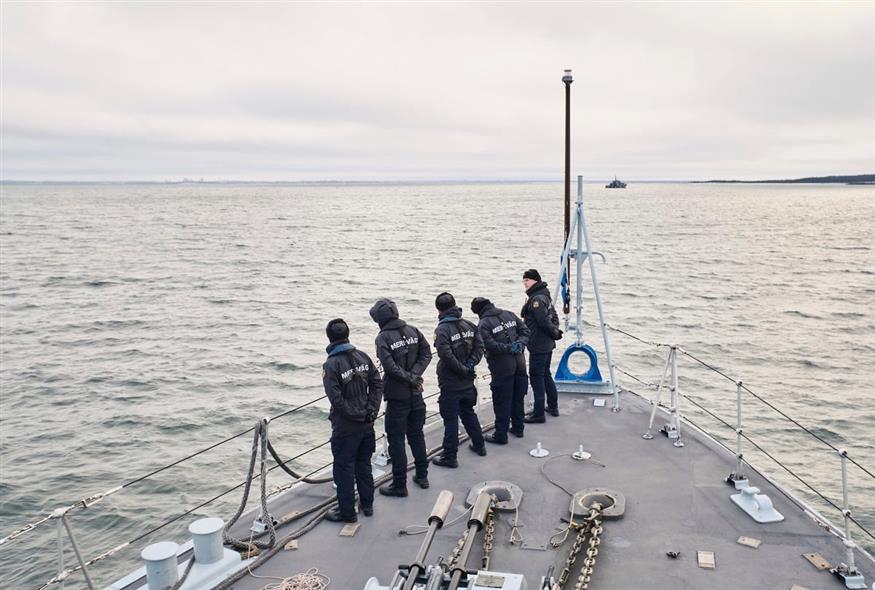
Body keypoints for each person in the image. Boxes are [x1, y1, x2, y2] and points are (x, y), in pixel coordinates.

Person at [321, 318, 383, 523]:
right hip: (367, 423)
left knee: (344, 468)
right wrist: (371, 410)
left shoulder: (331, 364)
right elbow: (377, 383)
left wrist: (356, 414)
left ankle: (347, 512)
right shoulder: (363, 357)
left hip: (346, 427)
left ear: (330, 338)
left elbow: (336, 399)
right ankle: (368, 505)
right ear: (347, 334)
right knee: (364, 464)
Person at [369, 298, 432, 497]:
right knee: (417, 435)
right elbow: (426, 354)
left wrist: (408, 378)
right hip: (416, 394)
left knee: (396, 442)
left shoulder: (383, 338)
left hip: (397, 396)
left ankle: (399, 484)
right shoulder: (413, 330)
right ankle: (422, 476)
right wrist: (414, 376)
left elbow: (390, 367)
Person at [432, 292, 486, 467]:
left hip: (451, 382)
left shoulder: (442, 330)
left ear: (438, 310)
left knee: (450, 420)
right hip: (468, 380)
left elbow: (445, 355)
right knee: (468, 412)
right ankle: (479, 445)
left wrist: (462, 369)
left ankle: (450, 456)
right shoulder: (469, 325)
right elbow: (480, 347)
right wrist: (469, 365)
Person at [471, 297, 530, 443]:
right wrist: (519, 344)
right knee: (518, 398)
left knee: (502, 402)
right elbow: (526, 331)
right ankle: (518, 428)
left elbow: (491, 345)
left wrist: (509, 348)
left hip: (502, 369)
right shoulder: (509, 314)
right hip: (520, 364)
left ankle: (501, 435)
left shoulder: (483, 324)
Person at [520, 269, 563, 423]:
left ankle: (538, 414)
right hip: (546, 343)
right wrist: (555, 333)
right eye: (524, 280)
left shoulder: (537, 299)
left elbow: (543, 322)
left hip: (539, 344)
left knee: (537, 377)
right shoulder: (545, 295)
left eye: (527, 280)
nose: (525, 283)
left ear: (535, 281)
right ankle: (552, 406)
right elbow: (554, 316)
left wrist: (555, 333)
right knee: (545, 374)